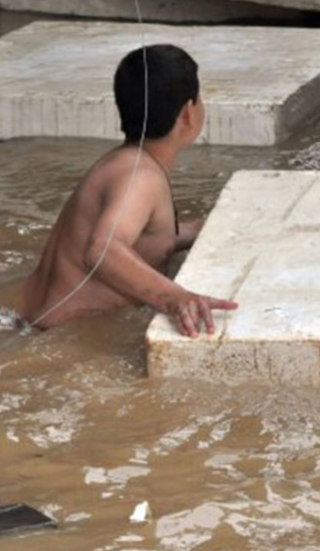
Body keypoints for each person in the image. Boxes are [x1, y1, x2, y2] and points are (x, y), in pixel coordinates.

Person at [14, 44, 238, 337]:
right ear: (188, 112)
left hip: (26, 324)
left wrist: (201, 229)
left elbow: (146, 235)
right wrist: (176, 298)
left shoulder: (122, 163)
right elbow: (103, 251)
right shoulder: (140, 177)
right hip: (59, 337)